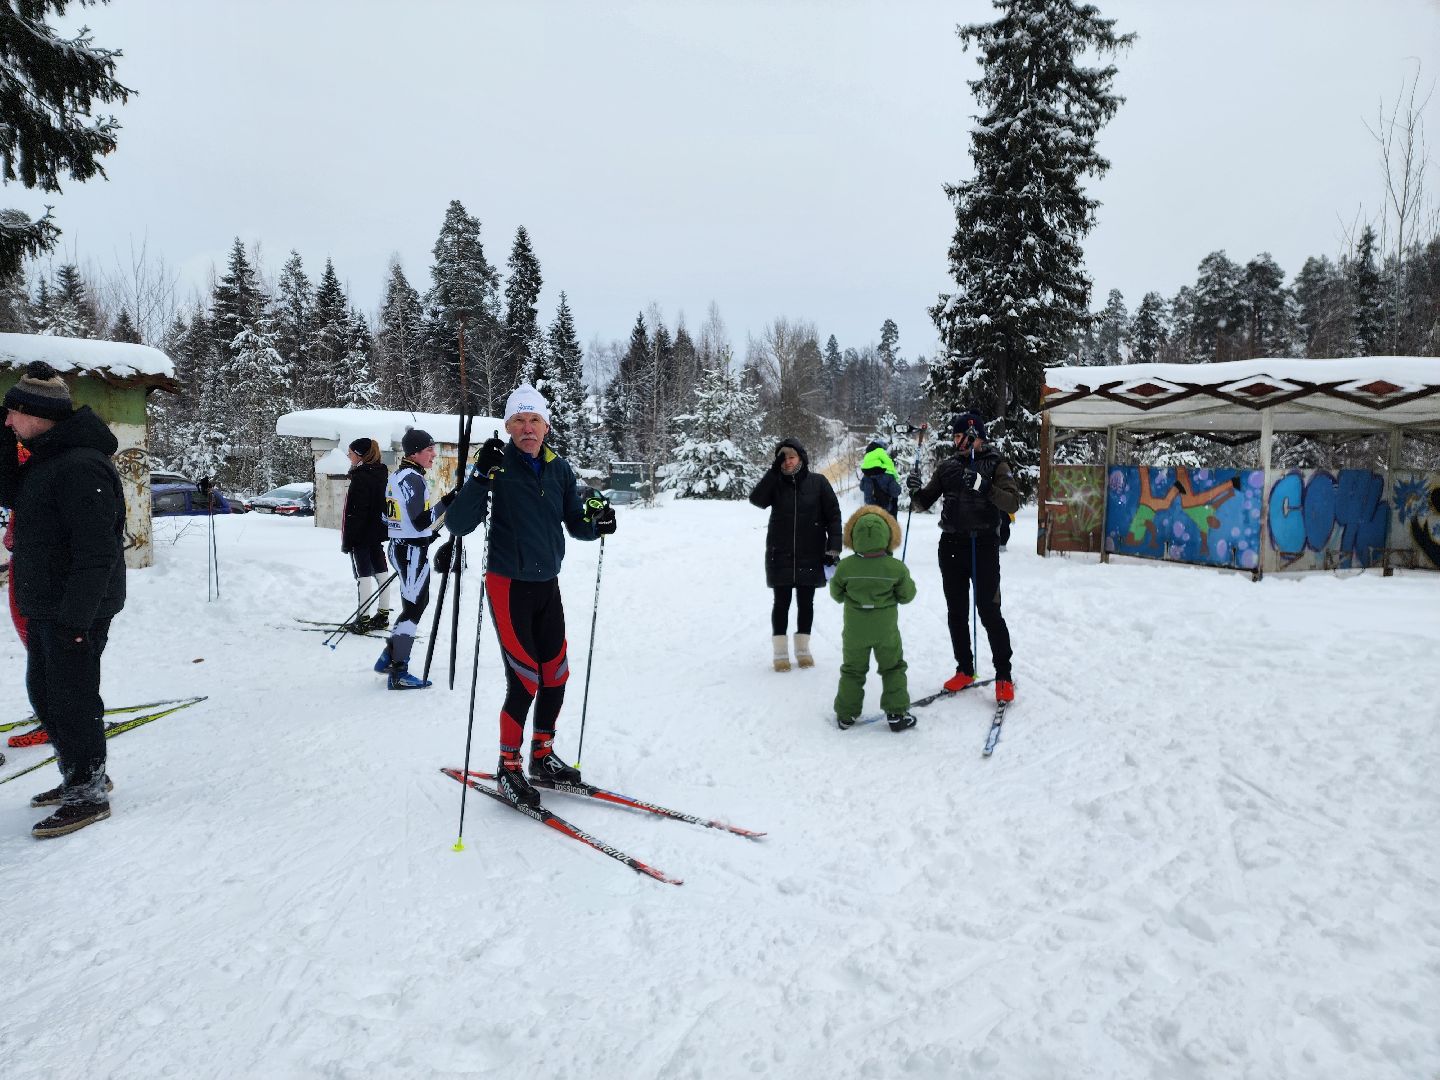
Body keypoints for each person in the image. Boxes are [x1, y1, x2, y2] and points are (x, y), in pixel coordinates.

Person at [445, 383, 614, 809]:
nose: (527, 428)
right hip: (507, 584)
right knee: (524, 678)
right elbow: (460, 525)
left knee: (555, 674)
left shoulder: (560, 469)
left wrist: (599, 524)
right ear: (507, 426)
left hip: (547, 585)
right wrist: (480, 474)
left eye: (534, 419)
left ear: (547, 426)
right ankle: (508, 766)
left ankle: (541, 754)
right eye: (518, 420)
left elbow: (576, 523)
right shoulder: (496, 466)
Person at [0, 361, 126, 838]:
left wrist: (77, 617)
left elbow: (98, 551)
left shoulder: (81, 465)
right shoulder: (48, 458)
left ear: (39, 413)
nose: (9, 421)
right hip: (50, 603)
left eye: (13, 413)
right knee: (46, 695)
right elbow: (9, 489)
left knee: (71, 700)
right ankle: (82, 773)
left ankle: (87, 792)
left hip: (75, 607)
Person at [906, 411, 1022, 704]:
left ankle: (1004, 675)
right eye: (956, 436)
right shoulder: (947, 467)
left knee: (989, 610)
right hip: (952, 545)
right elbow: (923, 503)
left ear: (978, 436)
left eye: (965, 436)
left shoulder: (997, 463)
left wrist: (983, 485)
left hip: (982, 545)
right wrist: (914, 491)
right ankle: (964, 669)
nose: (959, 441)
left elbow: (1012, 502)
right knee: (956, 612)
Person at [748, 438, 841, 672]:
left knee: (805, 603)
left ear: (801, 458)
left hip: (812, 552)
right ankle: (780, 653)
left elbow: (833, 516)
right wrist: (772, 472)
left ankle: (803, 649)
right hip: (781, 553)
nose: (787, 462)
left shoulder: (818, 483)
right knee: (781, 603)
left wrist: (834, 547)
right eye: (783, 457)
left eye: (791, 457)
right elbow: (757, 500)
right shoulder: (775, 483)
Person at [373, 427, 455, 690]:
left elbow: (388, 518)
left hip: (403, 548)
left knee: (415, 606)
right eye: (429, 449)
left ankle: (390, 657)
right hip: (410, 552)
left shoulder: (398, 476)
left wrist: (417, 535)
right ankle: (398, 670)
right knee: (414, 609)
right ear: (415, 453)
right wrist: (449, 500)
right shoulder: (413, 479)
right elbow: (421, 521)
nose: (434, 454)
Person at [828, 503, 917, 732]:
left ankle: (846, 714)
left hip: (855, 631)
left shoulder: (846, 567)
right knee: (893, 667)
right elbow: (907, 596)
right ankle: (897, 713)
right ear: (888, 535)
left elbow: (836, 594)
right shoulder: (895, 568)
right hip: (885, 631)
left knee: (852, 670)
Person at [341, 437, 391, 633]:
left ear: (360, 455)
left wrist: (349, 540)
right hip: (377, 532)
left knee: (363, 575)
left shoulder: (360, 477)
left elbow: (355, 513)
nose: (348, 455)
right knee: (381, 571)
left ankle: (363, 619)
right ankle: (383, 614)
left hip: (361, 535)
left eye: (351, 452)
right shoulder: (380, 473)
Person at [858, 440, 902, 515]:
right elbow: (896, 492)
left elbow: (861, 487)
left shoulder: (866, 476)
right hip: (885, 514)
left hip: (870, 512)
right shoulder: (888, 475)